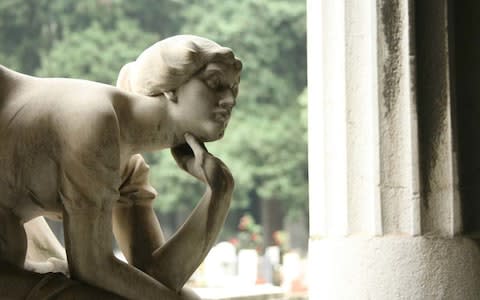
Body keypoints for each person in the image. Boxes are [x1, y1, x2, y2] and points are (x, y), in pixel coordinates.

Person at [0, 35, 242, 299]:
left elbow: (156, 276)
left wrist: (219, 193)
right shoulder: (95, 120)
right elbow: (90, 266)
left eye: (234, 88)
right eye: (215, 82)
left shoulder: (126, 165)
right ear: (172, 87)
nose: (229, 99)